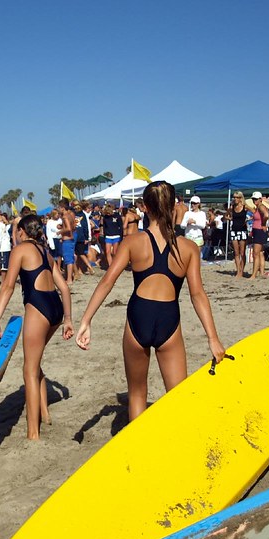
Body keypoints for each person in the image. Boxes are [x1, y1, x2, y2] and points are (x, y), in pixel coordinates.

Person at [76, 181, 226, 422]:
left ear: (145, 207)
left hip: (138, 317)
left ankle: (138, 455)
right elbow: (197, 294)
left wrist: (86, 320)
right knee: (178, 398)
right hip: (169, 319)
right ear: (174, 205)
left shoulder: (133, 242)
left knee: (136, 395)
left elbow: (107, 282)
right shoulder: (188, 248)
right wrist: (213, 338)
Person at [0, 214, 74, 439]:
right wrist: (67, 320)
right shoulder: (46, 253)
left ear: (21, 232)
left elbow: (8, 287)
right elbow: (65, 288)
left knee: (28, 369)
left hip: (38, 307)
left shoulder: (20, 251)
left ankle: (33, 432)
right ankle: (45, 414)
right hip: (55, 308)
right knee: (35, 362)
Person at [249, 191, 269, 279]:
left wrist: (264, 224)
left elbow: (266, 215)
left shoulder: (261, 206)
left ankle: (254, 274)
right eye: (253, 199)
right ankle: (261, 272)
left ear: (260, 199)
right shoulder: (258, 207)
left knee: (256, 253)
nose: (254, 201)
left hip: (259, 230)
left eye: (256, 199)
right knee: (260, 253)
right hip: (258, 230)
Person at [230, 192, 249, 277]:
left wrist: (248, 220)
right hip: (234, 230)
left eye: (237, 197)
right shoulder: (232, 207)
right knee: (236, 253)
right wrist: (228, 217)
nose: (235, 199)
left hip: (243, 231)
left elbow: (255, 212)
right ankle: (238, 271)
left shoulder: (245, 207)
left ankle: (242, 270)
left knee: (242, 252)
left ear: (241, 198)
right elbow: (226, 215)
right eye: (234, 197)